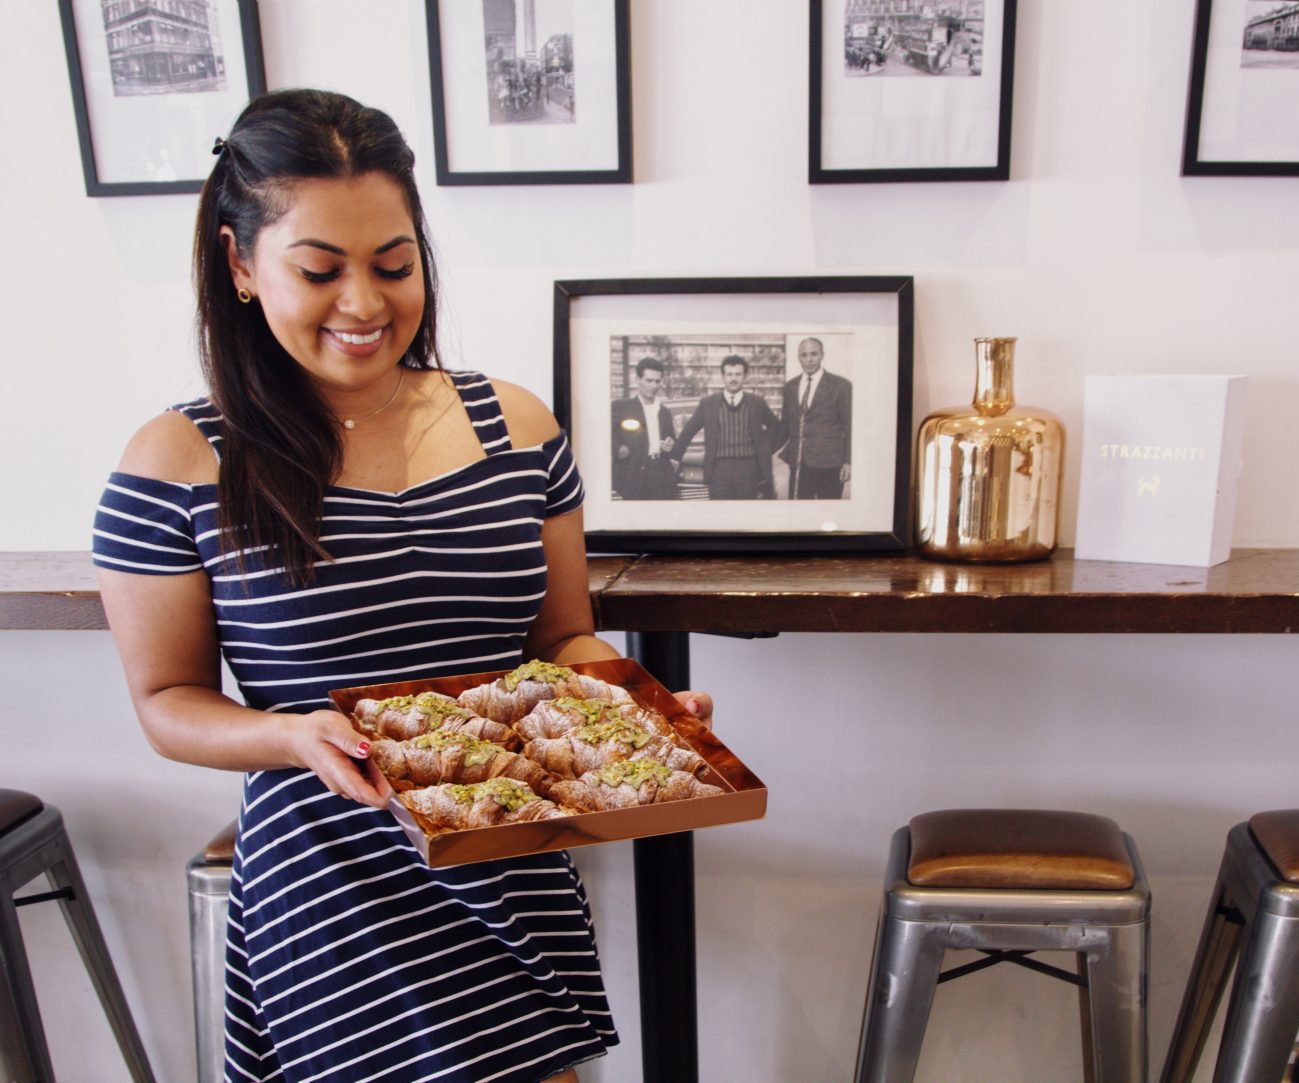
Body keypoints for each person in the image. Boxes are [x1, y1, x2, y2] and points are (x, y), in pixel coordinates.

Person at [91, 89, 709, 1083]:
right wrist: (292, 735)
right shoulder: (178, 461)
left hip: (507, 866)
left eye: (394, 264)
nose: (365, 305)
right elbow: (168, 704)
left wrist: (637, 712)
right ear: (241, 263)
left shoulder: (516, 426)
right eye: (320, 270)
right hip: (333, 888)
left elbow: (563, 641)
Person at [669, 355, 781, 499]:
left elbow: (776, 427)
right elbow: (688, 432)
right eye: (729, 374)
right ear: (723, 376)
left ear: (744, 376)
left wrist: (764, 449)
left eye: (738, 374)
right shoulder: (708, 404)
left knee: (746, 512)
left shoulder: (756, 403)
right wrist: (674, 458)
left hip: (748, 468)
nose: (733, 378)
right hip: (719, 468)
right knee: (720, 513)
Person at [779, 337, 852, 499]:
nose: (809, 359)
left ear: (822, 355)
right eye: (804, 355)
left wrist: (848, 461)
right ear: (799, 357)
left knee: (829, 515)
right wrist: (759, 449)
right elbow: (785, 426)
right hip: (799, 464)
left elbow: (850, 427)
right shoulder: (790, 387)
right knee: (799, 516)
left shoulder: (841, 386)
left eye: (814, 354)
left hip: (830, 464)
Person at [610, 356, 678, 499]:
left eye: (657, 381)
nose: (653, 386)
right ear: (638, 380)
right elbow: (602, 435)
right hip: (633, 475)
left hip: (661, 474)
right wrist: (618, 449)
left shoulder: (664, 411)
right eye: (649, 380)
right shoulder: (621, 407)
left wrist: (670, 444)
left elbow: (671, 438)